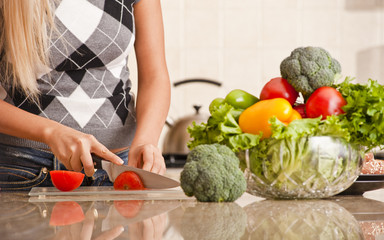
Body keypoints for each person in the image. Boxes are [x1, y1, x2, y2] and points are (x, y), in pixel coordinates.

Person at [0, 0, 170, 190]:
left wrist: (146, 141)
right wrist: (51, 132)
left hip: (119, 168)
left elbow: (155, 77)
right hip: (23, 168)